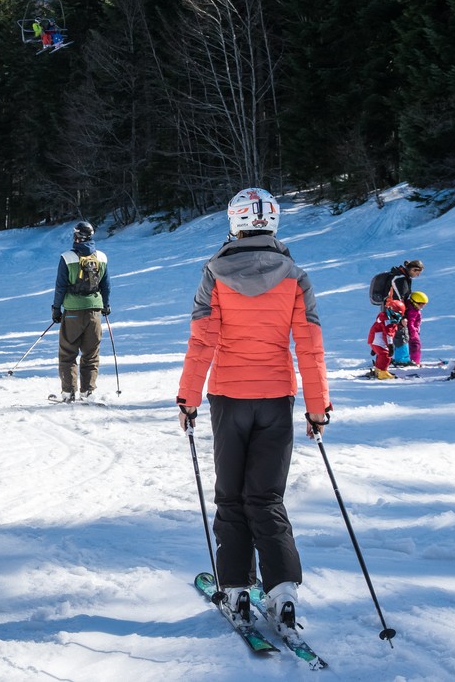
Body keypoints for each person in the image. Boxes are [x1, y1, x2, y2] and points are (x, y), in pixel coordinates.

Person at [176, 188, 330, 640]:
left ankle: (238, 589)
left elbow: (202, 341)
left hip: (229, 399)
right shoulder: (296, 276)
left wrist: (188, 398)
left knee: (231, 498)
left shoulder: (214, 272)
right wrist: (318, 408)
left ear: (235, 222)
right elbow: (310, 346)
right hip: (276, 400)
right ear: (273, 224)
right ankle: (282, 594)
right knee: (266, 499)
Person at [51, 220, 110, 400]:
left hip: (73, 311)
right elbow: (106, 285)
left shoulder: (67, 257)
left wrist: (56, 309)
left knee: (68, 352)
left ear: (76, 235)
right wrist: (105, 305)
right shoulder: (101, 257)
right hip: (94, 310)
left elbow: (60, 286)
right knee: (91, 353)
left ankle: (68, 393)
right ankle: (88, 391)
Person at [367, 298, 405, 380]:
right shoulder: (389, 322)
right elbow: (388, 335)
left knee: (381, 354)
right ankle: (382, 372)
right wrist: (390, 346)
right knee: (386, 355)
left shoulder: (383, 316)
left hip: (374, 338)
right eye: (398, 315)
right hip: (379, 339)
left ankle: (378, 370)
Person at [405, 291, 428, 365]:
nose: (423, 307)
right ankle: (415, 361)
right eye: (421, 304)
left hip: (414, 331)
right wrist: (413, 333)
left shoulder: (414, 309)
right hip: (412, 332)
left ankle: (413, 360)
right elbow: (410, 323)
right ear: (415, 302)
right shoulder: (412, 311)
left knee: (412, 346)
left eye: (424, 305)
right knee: (416, 345)